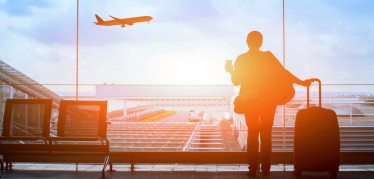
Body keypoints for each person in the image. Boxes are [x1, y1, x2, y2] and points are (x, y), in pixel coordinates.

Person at [225, 31, 312, 177]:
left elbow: (236, 81)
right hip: (267, 101)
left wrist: (230, 70)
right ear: (261, 42)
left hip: (250, 101)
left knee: (252, 134)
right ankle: (266, 169)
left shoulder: (241, 59)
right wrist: (302, 82)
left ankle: (252, 169)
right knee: (266, 135)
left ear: (247, 42)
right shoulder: (268, 57)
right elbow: (284, 73)